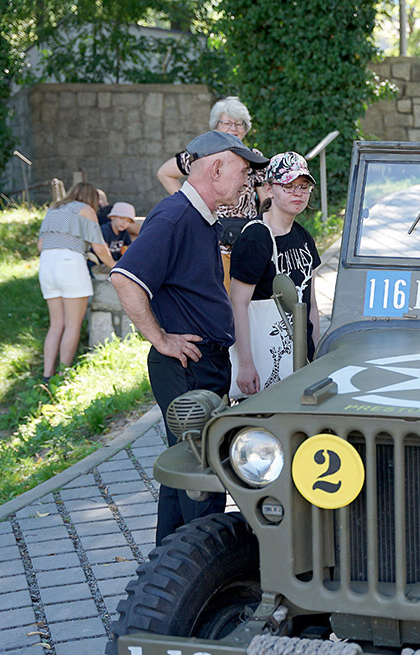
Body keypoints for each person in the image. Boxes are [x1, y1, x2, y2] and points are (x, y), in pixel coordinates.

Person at [112, 130, 270, 545]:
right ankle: (205, 580)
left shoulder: (199, 217)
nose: (247, 182)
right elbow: (126, 279)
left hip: (200, 366)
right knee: (203, 482)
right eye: (243, 171)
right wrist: (161, 339)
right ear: (216, 167)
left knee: (182, 478)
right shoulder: (176, 215)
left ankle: (167, 571)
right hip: (187, 367)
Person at [229, 152, 323, 397]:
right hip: (267, 358)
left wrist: (315, 354)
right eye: (288, 186)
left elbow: (310, 303)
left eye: (304, 187)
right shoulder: (255, 238)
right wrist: (246, 365)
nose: (297, 193)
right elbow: (238, 304)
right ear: (269, 189)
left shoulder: (303, 236)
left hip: (301, 359)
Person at [155, 96, 267, 290]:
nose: (234, 128)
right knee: (218, 295)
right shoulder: (202, 154)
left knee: (247, 300)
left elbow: (266, 197)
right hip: (213, 238)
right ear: (216, 126)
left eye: (239, 124)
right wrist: (192, 205)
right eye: (228, 123)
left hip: (246, 239)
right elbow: (165, 173)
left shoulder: (253, 157)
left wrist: (266, 229)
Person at [37, 181, 116, 382]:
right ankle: (64, 374)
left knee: (56, 325)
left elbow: (40, 245)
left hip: (46, 264)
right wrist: (116, 267)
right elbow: (100, 248)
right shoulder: (85, 209)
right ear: (91, 199)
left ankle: (47, 375)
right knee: (73, 325)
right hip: (69, 264)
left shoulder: (53, 209)